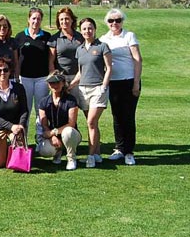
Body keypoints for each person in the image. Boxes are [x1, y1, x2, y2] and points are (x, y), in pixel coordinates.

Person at [100, 9, 143, 165]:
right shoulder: (104, 39)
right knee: (117, 115)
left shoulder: (129, 36)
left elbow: (137, 59)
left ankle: (129, 151)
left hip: (129, 80)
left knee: (128, 116)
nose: (114, 24)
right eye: (111, 21)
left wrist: (136, 82)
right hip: (113, 82)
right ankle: (119, 148)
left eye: (117, 20)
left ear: (122, 21)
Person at [70, 17, 112, 168]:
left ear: (94, 29)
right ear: (80, 31)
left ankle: (90, 157)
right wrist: (71, 85)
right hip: (83, 89)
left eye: (90, 28)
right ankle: (97, 154)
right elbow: (81, 72)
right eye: (84, 29)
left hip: (98, 89)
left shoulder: (102, 47)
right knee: (92, 124)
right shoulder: (80, 49)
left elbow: (109, 68)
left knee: (91, 122)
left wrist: (104, 86)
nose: (87, 31)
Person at [15, 7, 52, 147]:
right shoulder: (20, 37)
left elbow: (50, 59)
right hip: (25, 78)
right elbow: (17, 60)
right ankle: (23, 141)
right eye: (33, 18)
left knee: (40, 110)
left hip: (42, 78)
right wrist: (17, 77)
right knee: (25, 110)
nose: (36, 21)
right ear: (28, 19)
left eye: (39, 18)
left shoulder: (46, 37)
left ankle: (40, 140)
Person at [0, 58, 28, 168]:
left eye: (5, 70)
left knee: (19, 161)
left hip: (16, 128)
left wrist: (20, 126)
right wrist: (10, 126)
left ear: (10, 71)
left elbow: (24, 110)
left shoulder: (19, 88)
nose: (2, 73)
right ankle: (5, 148)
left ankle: (13, 146)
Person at [38, 70, 82, 171]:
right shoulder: (43, 102)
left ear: (63, 83)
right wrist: (52, 136)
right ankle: (58, 152)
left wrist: (54, 132)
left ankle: (71, 158)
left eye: (57, 82)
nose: (54, 85)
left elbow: (71, 123)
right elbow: (44, 124)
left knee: (68, 132)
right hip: (53, 135)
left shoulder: (71, 100)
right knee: (44, 151)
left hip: (71, 134)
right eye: (51, 83)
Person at [48, 7, 84, 102]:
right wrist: (54, 78)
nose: (64, 21)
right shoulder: (54, 39)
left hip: (79, 77)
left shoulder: (80, 37)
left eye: (67, 18)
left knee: (84, 106)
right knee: (61, 107)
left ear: (72, 20)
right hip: (61, 78)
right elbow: (51, 61)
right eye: (61, 19)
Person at [0, 14, 19, 79]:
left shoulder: (13, 42)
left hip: (10, 77)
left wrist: (17, 78)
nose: (2, 28)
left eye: (5, 26)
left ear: (8, 28)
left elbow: (16, 62)